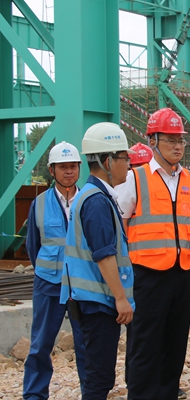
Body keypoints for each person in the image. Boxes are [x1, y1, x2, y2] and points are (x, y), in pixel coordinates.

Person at [117, 108, 190, 400]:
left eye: (181, 140)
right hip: (148, 275)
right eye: (170, 140)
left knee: (175, 345)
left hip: (184, 273)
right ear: (153, 140)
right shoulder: (135, 178)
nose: (178, 146)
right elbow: (121, 225)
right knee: (145, 345)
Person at [60, 122, 135, 399]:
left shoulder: (96, 196)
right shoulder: (96, 201)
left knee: (98, 374)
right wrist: (120, 298)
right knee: (99, 378)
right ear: (107, 161)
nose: (128, 164)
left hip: (92, 300)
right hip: (97, 303)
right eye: (124, 158)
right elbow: (104, 254)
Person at [23, 141, 87, 400]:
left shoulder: (88, 200)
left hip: (82, 286)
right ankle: (34, 394)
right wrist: (47, 270)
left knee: (86, 344)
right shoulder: (39, 204)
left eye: (73, 166)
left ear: (79, 168)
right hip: (49, 284)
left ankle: (91, 392)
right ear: (52, 170)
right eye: (62, 167)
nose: (68, 171)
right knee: (40, 343)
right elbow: (33, 246)